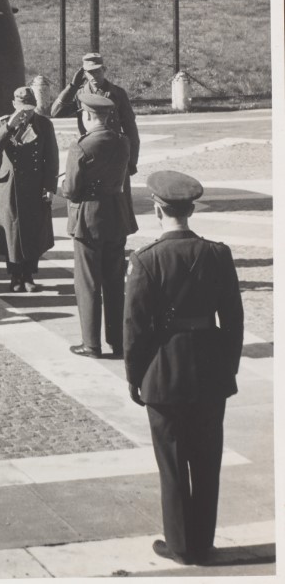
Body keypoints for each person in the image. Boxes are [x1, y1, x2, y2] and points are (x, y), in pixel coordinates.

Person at [124, 170, 244, 566]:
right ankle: (203, 542)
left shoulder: (145, 260)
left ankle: (179, 544)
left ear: (157, 209)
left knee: (172, 464)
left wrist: (135, 377)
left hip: (163, 372)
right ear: (191, 209)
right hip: (210, 369)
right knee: (207, 461)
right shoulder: (217, 253)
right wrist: (228, 366)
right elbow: (233, 319)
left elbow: (135, 329)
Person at [60, 93, 134, 358]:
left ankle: (91, 343)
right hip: (115, 216)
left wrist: (64, 186)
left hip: (88, 219)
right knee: (115, 283)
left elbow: (71, 189)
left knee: (88, 283)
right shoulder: (122, 141)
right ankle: (118, 341)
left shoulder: (82, 146)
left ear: (88, 115)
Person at [51, 52, 139, 235]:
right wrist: (72, 86)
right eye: (89, 73)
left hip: (114, 154)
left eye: (97, 71)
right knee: (89, 198)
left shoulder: (117, 93)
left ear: (104, 70)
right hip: (89, 153)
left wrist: (131, 162)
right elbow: (55, 112)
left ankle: (119, 235)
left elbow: (131, 130)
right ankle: (89, 232)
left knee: (119, 199)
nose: (94, 76)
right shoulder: (80, 94)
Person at [0, 87, 59, 292]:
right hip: (10, 185)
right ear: (13, 105)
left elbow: (51, 157)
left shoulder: (43, 124)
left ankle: (29, 275)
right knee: (12, 230)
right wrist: (10, 125)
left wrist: (49, 186)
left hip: (35, 183)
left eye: (29, 108)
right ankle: (14, 275)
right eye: (21, 108)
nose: (25, 113)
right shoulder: (4, 122)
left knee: (32, 228)